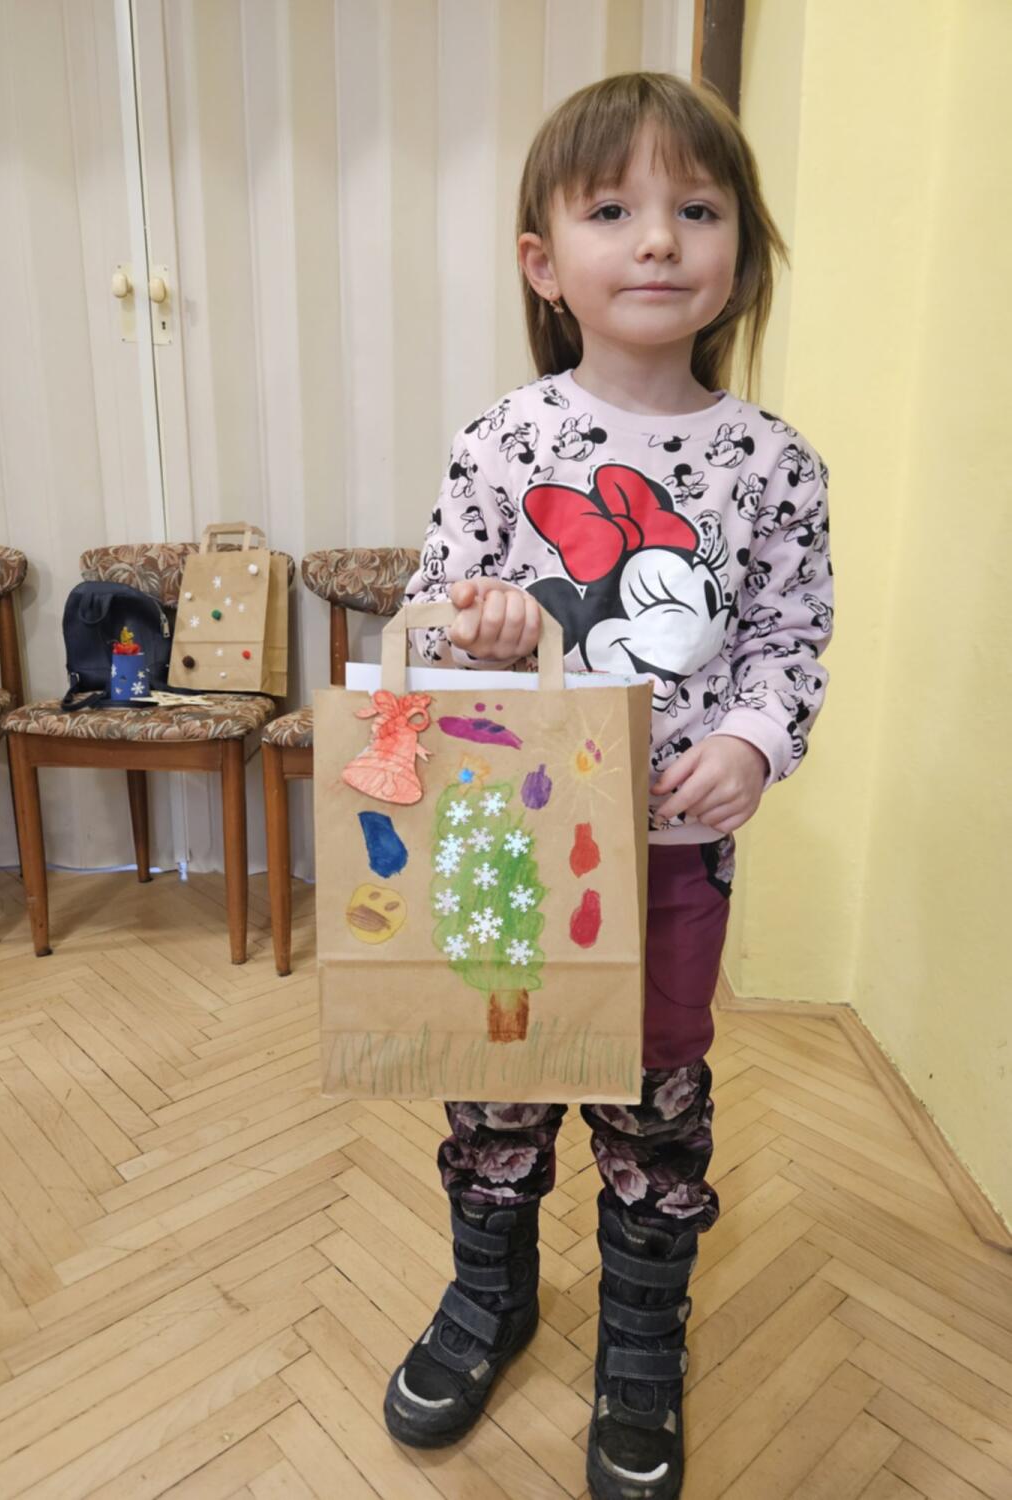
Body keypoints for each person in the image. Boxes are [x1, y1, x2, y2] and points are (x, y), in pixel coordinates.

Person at [384, 72, 833, 1500]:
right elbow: (421, 620)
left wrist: (752, 742)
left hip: (670, 855)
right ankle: (488, 1296)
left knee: (654, 1096)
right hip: (506, 833)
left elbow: (788, 640)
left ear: (739, 253)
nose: (655, 240)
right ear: (544, 262)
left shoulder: (772, 464)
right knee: (496, 1081)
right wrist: (475, 624)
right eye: (612, 211)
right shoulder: (501, 442)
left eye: (695, 210)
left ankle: (641, 1340)